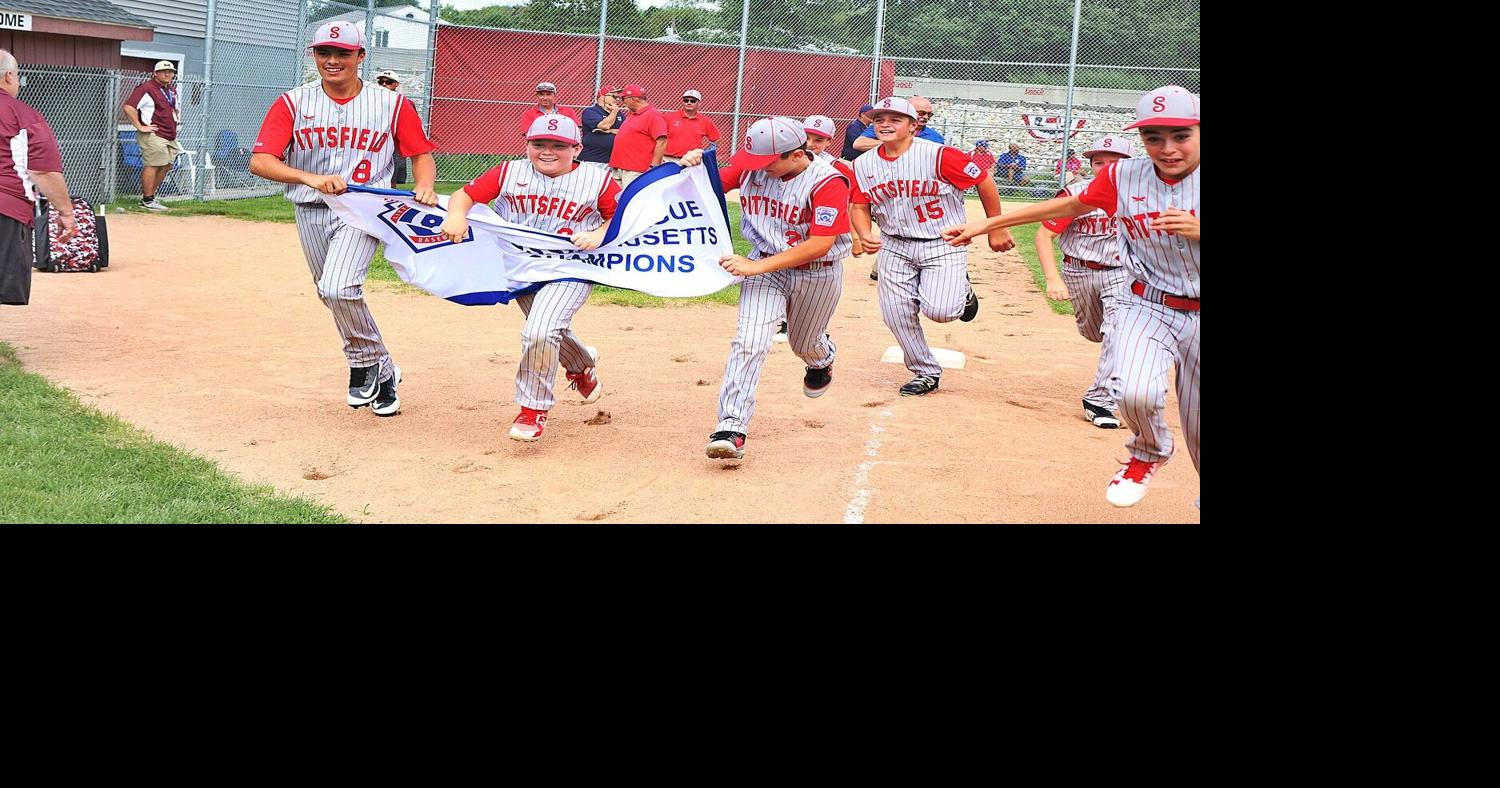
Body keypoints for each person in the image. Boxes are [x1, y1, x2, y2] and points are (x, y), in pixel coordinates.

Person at [942, 85, 1199, 508]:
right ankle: (1147, 452)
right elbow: (1062, 208)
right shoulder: (1123, 175)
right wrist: (985, 225)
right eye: (1154, 137)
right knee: (1134, 392)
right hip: (1147, 303)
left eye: (1181, 135)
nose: (1167, 148)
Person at [249, 21, 439, 417]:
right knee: (331, 293)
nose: (332, 61)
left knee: (338, 288)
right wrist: (308, 177)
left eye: (343, 53)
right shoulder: (293, 102)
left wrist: (424, 185)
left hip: (364, 210)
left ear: (361, 57)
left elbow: (420, 152)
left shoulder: (391, 103)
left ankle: (360, 362)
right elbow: (261, 160)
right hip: (310, 209)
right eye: (324, 53)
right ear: (313, 55)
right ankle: (384, 370)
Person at [438, 115, 620, 442]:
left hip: (571, 267)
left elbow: (620, 220)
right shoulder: (509, 171)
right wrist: (455, 214)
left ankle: (532, 409)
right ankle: (581, 364)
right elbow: (464, 195)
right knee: (547, 329)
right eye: (539, 144)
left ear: (576, 147)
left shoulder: (598, 180)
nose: (547, 151)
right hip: (520, 267)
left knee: (539, 330)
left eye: (558, 145)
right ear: (527, 144)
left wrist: (599, 232)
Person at [693, 117, 851, 460]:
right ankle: (731, 426)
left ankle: (821, 358)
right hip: (764, 267)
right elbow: (708, 185)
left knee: (804, 343)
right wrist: (692, 165)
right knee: (749, 340)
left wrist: (756, 266)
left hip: (816, 272)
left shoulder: (828, 182)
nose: (756, 169)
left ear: (796, 155)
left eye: (767, 162)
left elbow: (821, 243)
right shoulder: (754, 167)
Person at [849, 96, 1014, 397]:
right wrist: (864, 233)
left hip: (943, 242)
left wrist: (996, 226)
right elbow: (859, 205)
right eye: (879, 119)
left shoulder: (939, 155)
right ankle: (925, 371)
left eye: (895, 119)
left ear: (913, 126)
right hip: (895, 246)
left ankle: (962, 292)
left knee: (941, 312)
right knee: (895, 313)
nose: (885, 124)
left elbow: (985, 181)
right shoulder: (863, 164)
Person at [1032, 135, 1136, 431]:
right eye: (1098, 162)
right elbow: (1044, 235)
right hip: (1078, 271)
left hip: (1121, 273)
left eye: (1113, 162)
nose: (1104, 168)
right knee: (1094, 333)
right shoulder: (1076, 193)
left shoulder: (1141, 193)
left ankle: (1100, 400)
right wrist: (1053, 278)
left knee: (1119, 332)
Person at [1, 49, 76, 307]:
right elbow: (42, 170)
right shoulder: (22, 114)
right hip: (6, 209)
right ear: (9, 76)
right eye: (18, 75)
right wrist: (66, 212)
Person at [122, 60, 181, 211]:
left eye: (171, 72)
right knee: (153, 164)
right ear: (155, 73)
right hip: (154, 134)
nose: (168, 74)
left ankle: (149, 197)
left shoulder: (171, 90)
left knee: (167, 164)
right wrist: (140, 126)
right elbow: (129, 107)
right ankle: (148, 200)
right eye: (164, 71)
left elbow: (173, 109)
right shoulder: (146, 88)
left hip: (170, 134)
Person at [609, 84, 667, 188]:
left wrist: (654, 167)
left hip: (635, 170)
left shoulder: (653, 115)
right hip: (619, 166)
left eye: (623, 98)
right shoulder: (633, 114)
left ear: (634, 99)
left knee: (630, 201)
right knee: (615, 201)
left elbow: (661, 141)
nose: (621, 101)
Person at [852, 95, 943, 153]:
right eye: (921, 113)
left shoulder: (935, 137)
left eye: (929, 114)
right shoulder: (883, 127)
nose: (926, 117)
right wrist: (894, 144)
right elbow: (859, 143)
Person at [663, 89, 720, 164]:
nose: (689, 103)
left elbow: (716, 139)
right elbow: (657, 137)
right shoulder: (669, 117)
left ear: (699, 103)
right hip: (668, 159)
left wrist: (704, 153)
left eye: (693, 101)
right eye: (686, 100)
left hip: (692, 161)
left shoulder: (705, 121)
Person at [375, 70, 408, 185]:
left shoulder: (403, 102)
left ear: (396, 84)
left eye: (388, 82)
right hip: (375, 142)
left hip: (393, 143)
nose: (384, 84)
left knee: (392, 178)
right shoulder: (371, 100)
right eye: (381, 82)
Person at [579, 85, 624, 168]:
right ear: (603, 97)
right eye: (614, 96)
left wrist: (608, 131)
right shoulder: (591, 111)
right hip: (592, 159)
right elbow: (605, 126)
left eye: (619, 97)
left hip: (612, 161)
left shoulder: (620, 114)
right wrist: (614, 112)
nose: (618, 100)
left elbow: (624, 132)